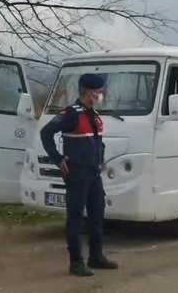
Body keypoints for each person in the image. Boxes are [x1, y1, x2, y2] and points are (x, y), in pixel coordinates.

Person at [40, 73, 118, 276]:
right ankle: (76, 262)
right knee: (75, 217)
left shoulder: (94, 115)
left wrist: (100, 157)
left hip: (93, 172)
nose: (101, 94)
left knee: (97, 214)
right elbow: (46, 133)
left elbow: (96, 141)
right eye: (99, 91)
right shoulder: (71, 114)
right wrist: (58, 158)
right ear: (88, 91)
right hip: (77, 171)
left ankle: (96, 256)